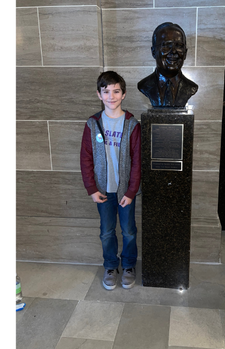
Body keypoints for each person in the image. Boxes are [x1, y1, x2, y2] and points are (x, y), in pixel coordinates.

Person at [80, 72, 140, 290]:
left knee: (128, 230)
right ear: (99, 94)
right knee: (106, 231)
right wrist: (92, 188)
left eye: (116, 91)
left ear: (123, 94)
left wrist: (131, 191)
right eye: (106, 91)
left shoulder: (132, 124)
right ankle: (110, 265)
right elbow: (85, 158)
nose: (111, 96)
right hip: (103, 191)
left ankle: (129, 266)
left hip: (125, 192)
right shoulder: (92, 124)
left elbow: (137, 162)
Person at [137, 22, 200, 107]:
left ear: (185, 53)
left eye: (179, 46)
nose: (173, 51)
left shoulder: (191, 87)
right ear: (154, 52)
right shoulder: (145, 86)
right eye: (166, 45)